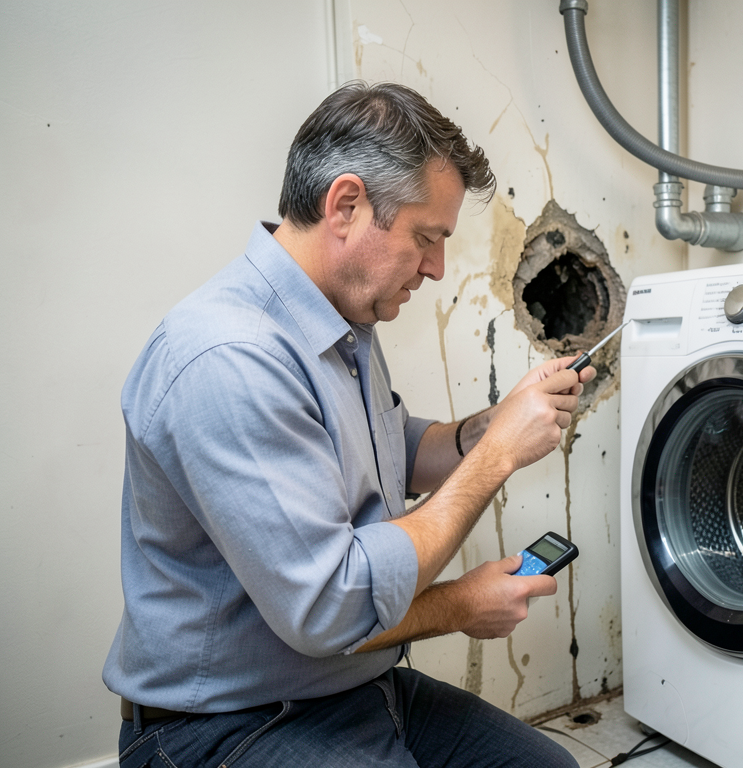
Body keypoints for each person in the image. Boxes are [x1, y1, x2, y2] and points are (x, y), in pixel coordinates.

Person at [103, 81, 591, 767]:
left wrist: (491, 425)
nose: (436, 268)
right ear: (346, 205)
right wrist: (496, 462)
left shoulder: (345, 319)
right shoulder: (228, 357)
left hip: (354, 687)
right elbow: (331, 605)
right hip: (227, 724)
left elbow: (394, 448)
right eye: (426, 237)